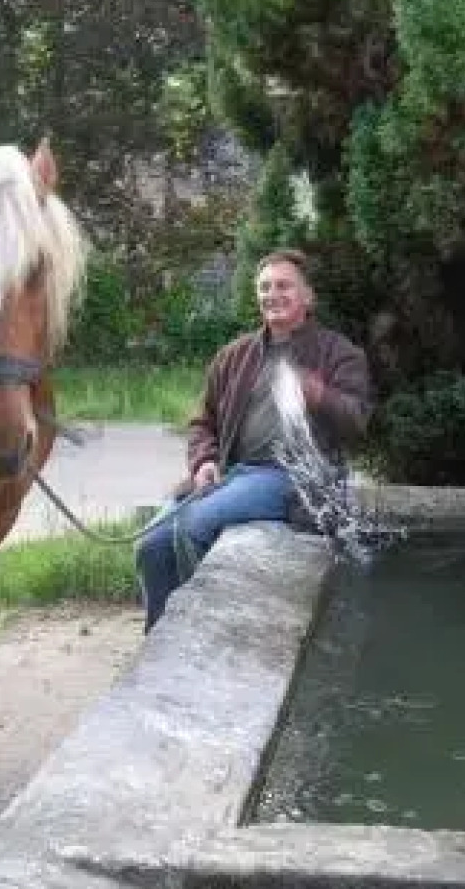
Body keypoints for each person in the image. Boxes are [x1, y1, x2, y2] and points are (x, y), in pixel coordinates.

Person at [134, 248, 372, 631]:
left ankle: (204, 630)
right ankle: (159, 638)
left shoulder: (339, 353)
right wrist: (203, 462)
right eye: (264, 287)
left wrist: (320, 395)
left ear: (308, 297)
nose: (272, 294)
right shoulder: (234, 355)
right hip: (231, 472)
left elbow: (357, 421)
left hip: (289, 479)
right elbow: (202, 422)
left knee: (194, 525)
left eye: (283, 286)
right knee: (151, 545)